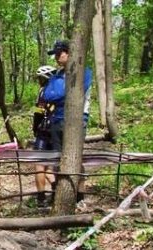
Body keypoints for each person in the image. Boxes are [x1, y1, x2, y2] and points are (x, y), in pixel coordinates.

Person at [43, 40, 93, 203]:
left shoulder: (83, 73)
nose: (57, 58)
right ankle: (59, 193)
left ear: (69, 53)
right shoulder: (56, 76)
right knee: (58, 159)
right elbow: (47, 95)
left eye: (59, 54)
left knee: (75, 157)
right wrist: (63, 92)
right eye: (55, 55)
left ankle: (79, 196)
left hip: (77, 121)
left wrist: (62, 93)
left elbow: (75, 93)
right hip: (56, 120)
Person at [32, 65, 57, 207]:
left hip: (43, 132)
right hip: (56, 132)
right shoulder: (61, 91)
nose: (39, 81)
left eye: (41, 78)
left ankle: (41, 198)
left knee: (40, 165)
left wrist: (35, 128)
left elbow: (38, 112)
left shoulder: (43, 92)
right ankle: (55, 187)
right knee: (51, 165)